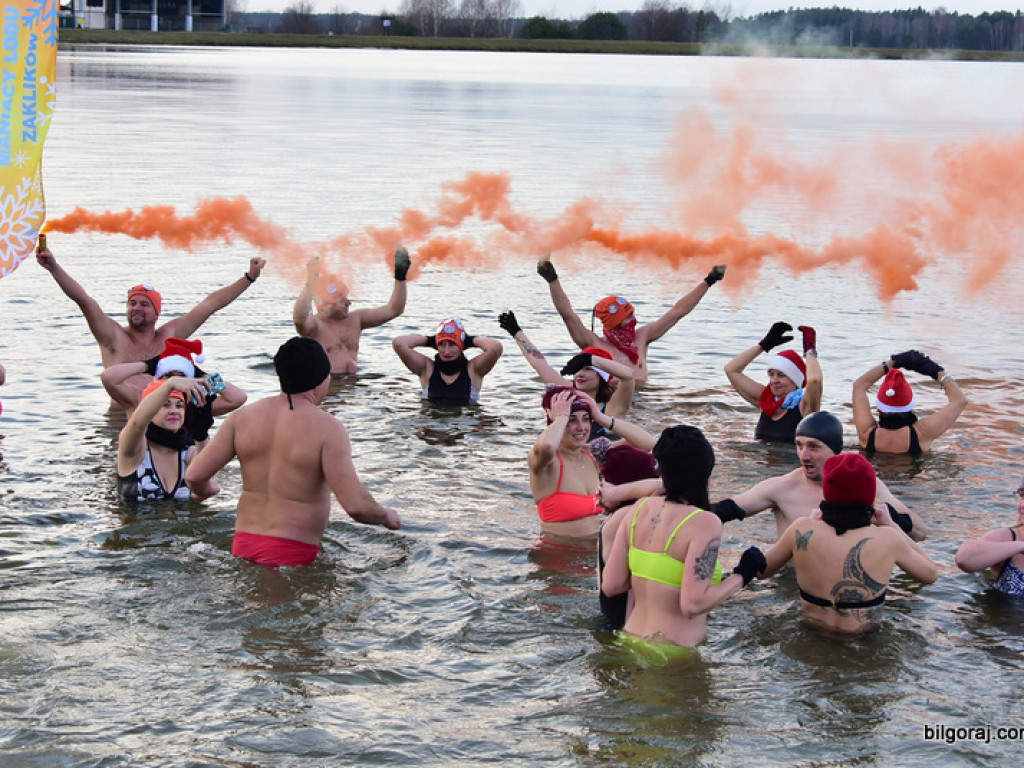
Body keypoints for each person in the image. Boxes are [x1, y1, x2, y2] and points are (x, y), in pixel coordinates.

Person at [185, 337, 401, 567]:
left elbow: (194, 476)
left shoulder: (241, 418)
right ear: (321, 379)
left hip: (242, 547)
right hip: (295, 556)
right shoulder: (327, 428)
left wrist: (205, 491)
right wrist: (385, 516)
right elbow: (356, 506)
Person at [601, 425, 766, 653]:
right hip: (674, 653)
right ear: (705, 470)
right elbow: (692, 604)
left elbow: (611, 585)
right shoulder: (705, 523)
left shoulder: (639, 510)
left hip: (630, 642)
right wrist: (743, 575)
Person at [757, 452, 939, 636]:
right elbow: (931, 574)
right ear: (870, 495)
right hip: (863, 640)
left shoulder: (801, 530)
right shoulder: (889, 538)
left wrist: (814, 524)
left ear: (827, 493)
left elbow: (761, 571)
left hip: (810, 635)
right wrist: (893, 526)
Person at [36, 242, 265, 372]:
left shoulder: (168, 336)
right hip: (120, 422)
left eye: (144, 305)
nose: (136, 308)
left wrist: (249, 277)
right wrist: (54, 267)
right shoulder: (113, 337)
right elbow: (84, 301)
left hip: (160, 420)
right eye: (132, 303)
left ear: (157, 313)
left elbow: (210, 305)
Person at [713, 411, 927, 541]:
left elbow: (920, 532)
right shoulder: (781, 488)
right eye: (799, 445)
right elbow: (724, 510)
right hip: (792, 586)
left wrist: (887, 516)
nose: (804, 455)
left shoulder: (867, 485)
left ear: (836, 450)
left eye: (814, 447)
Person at [536, 257, 726, 385]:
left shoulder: (642, 337)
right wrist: (552, 280)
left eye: (632, 314)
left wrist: (709, 281)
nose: (632, 321)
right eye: (626, 318)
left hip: (643, 403)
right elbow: (568, 314)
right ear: (611, 323)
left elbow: (678, 312)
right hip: (611, 408)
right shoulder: (593, 343)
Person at [498, 309, 635, 438]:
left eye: (588, 369)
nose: (580, 374)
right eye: (578, 369)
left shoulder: (613, 406)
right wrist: (516, 332)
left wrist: (589, 359)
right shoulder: (567, 392)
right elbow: (539, 363)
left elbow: (629, 376)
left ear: (602, 377)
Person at [101, 337, 247, 446]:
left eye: (182, 376)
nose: (177, 383)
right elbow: (109, 378)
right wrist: (147, 366)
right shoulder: (140, 398)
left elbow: (238, 397)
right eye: (169, 376)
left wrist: (201, 375)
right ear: (158, 377)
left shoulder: (196, 404)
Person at [292, 249, 410, 374]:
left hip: (352, 387)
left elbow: (394, 309)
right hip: (329, 387)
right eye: (342, 300)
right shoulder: (314, 326)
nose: (349, 303)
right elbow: (299, 320)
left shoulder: (356, 319)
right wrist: (311, 282)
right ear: (326, 305)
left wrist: (400, 277)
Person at [117, 376, 215, 505]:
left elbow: (206, 484)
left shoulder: (189, 454)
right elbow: (137, 423)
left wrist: (201, 435)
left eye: (179, 406)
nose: (174, 411)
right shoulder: (135, 451)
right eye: (165, 405)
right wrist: (170, 385)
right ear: (150, 411)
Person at [852, 350, 967, 455]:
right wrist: (937, 372)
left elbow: (859, 386)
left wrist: (890, 363)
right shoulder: (922, 434)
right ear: (910, 408)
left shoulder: (866, 434)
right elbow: (960, 401)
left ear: (879, 407)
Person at [724, 321, 823, 444]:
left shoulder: (805, 407)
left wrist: (810, 351)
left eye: (781, 375)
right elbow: (731, 370)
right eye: (771, 374)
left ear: (795, 379)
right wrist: (764, 345)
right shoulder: (766, 400)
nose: (774, 381)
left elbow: (814, 380)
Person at [528, 386, 604, 538]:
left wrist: (602, 418)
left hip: (593, 554)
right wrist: (561, 416)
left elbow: (650, 446)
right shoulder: (547, 462)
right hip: (559, 554)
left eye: (586, 419)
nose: (581, 428)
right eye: (571, 420)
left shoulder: (591, 456)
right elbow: (547, 445)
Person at [392, 318, 503, 405]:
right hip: (432, 427)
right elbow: (399, 343)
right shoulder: (427, 368)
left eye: (453, 344)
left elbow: (495, 347)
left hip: (462, 429)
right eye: (442, 344)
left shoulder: (473, 369)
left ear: (461, 346)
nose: (447, 351)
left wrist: (468, 341)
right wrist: (430, 340)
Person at [954, 477, 1024, 596]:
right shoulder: (1009, 537)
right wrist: (1021, 546)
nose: (1022, 505)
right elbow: (964, 558)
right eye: (1022, 496)